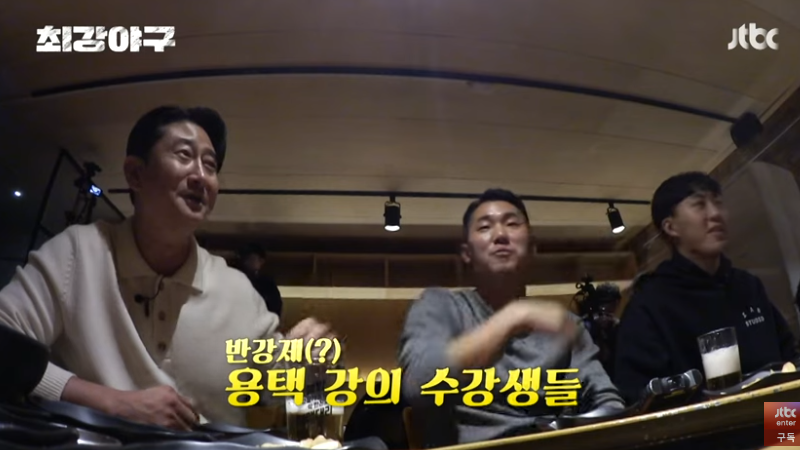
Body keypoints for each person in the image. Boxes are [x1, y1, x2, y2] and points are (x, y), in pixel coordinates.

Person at [0, 106, 333, 429]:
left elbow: (281, 392)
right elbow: (4, 347)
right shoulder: (79, 253)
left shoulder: (238, 291)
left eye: (210, 165)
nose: (201, 176)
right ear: (135, 173)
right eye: (184, 155)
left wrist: (313, 364)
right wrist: (113, 403)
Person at [398, 188, 624, 446]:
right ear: (466, 252)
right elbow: (419, 385)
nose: (500, 235)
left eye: (512, 224)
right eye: (485, 227)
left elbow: (605, 399)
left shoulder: (566, 324)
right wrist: (511, 319)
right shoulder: (440, 306)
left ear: (532, 247)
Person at [613, 172, 797, 403]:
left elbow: (789, 356)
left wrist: (787, 422)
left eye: (718, 203)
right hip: (709, 424)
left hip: (777, 412)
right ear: (671, 227)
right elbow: (638, 396)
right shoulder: (649, 305)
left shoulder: (748, 285)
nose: (715, 213)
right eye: (699, 205)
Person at [236, 244, 283, 318]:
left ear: (261, 261)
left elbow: (274, 307)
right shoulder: (236, 279)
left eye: (251, 259)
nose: (246, 262)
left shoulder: (267, 283)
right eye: (245, 259)